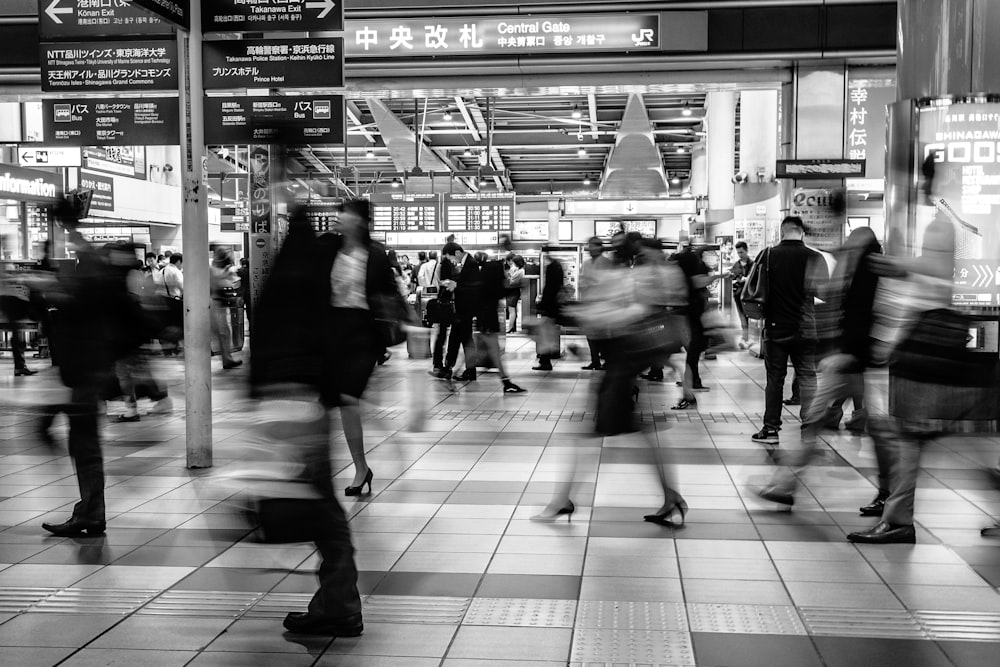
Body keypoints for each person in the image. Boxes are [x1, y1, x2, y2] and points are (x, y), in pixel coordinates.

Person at [250, 204, 363, 638]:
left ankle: (340, 605)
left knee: (319, 504)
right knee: (322, 503)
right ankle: (339, 601)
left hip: (289, 401)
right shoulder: (318, 284)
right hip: (310, 401)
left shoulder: (289, 279)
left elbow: (270, 345)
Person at [533, 237, 688, 525]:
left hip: (624, 361)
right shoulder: (641, 274)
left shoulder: (640, 276)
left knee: (587, 432)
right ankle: (671, 496)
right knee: (627, 432)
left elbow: (628, 313)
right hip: (623, 360)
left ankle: (561, 500)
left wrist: (582, 313)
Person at [756, 227, 881, 506]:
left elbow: (853, 314)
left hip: (845, 360)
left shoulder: (864, 275)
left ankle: (785, 481)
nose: (848, 243)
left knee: (814, 419)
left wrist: (844, 352)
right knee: (817, 418)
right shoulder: (847, 267)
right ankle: (787, 483)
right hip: (843, 358)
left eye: (853, 241)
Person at [42, 201, 144, 536]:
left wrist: (50, 290)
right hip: (87, 367)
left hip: (87, 368)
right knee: (83, 441)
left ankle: (91, 513)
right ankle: (89, 510)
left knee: (84, 442)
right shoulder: (96, 275)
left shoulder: (89, 281)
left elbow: (76, 296)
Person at [320, 199, 401, 496]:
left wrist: (403, 325)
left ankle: (358, 468)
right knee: (335, 402)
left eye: (345, 214)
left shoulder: (376, 254)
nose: (338, 218)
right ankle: (361, 467)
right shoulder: (328, 248)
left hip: (364, 334)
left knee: (347, 397)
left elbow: (389, 293)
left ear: (360, 221)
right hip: (333, 331)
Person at [750, 216, 827, 448]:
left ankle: (771, 428)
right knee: (808, 378)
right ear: (802, 232)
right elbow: (824, 293)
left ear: (782, 232)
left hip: (776, 328)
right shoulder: (815, 257)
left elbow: (755, 288)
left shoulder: (769, 255)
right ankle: (810, 429)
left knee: (775, 379)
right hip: (805, 328)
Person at [470, 247, 525, 393]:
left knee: (483, 351)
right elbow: (503, 289)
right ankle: (506, 382)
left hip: (484, 321)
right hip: (488, 322)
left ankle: (454, 371)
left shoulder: (485, 282)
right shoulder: (493, 282)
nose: (506, 274)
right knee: (492, 352)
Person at [439, 242, 480, 381]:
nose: (451, 261)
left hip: (466, 309)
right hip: (461, 309)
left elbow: (474, 287)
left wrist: (456, 286)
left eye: (450, 258)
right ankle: (447, 368)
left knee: (466, 340)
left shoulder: (471, 263)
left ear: (457, 253)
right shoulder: (465, 263)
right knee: (455, 339)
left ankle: (470, 370)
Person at [580, 236, 612, 369]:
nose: (591, 248)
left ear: (600, 247)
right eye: (589, 245)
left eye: (593, 245)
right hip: (589, 304)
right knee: (590, 335)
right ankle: (595, 361)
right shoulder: (586, 263)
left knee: (603, 336)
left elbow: (607, 283)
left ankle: (607, 360)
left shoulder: (606, 263)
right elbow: (582, 281)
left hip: (603, 305)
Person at [211, 248, 242, 369]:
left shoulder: (217, 270)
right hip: (216, 303)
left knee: (223, 332)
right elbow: (231, 282)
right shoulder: (219, 270)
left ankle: (226, 358)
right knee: (223, 332)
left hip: (219, 303)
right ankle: (226, 359)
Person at [533, 256, 564, 371]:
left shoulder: (552, 268)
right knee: (548, 335)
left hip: (549, 309)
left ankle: (545, 361)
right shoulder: (558, 267)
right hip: (554, 308)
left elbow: (549, 289)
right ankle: (545, 360)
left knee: (545, 335)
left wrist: (542, 305)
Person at [729, 241, 753, 349]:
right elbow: (733, 277)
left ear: (746, 250)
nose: (740, 255)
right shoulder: (736, 265)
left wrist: (745, 279)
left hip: (749, 295)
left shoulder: (753, 264)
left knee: (748, 315)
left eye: (742, 252)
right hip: (738, 294)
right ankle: (745, 338)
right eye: (738, 253)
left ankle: (747, 338)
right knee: (742, 316)